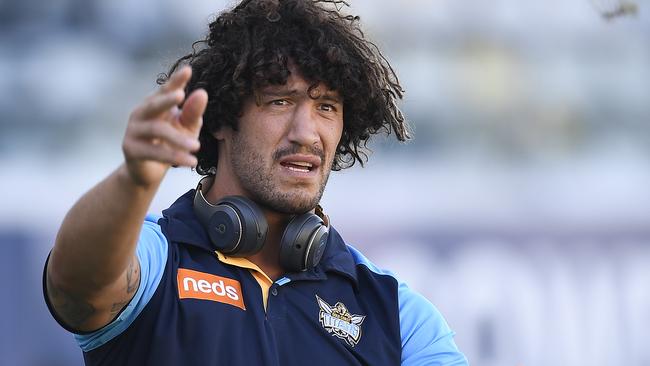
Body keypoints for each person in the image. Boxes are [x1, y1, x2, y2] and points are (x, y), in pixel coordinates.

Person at [43, 0, 469, 365]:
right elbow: (77, 282)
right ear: (224, 119)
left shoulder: (395, 313)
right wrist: (133, 180)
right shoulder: (157, 259)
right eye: (280, 101)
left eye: (326, 106)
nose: (306, 132)